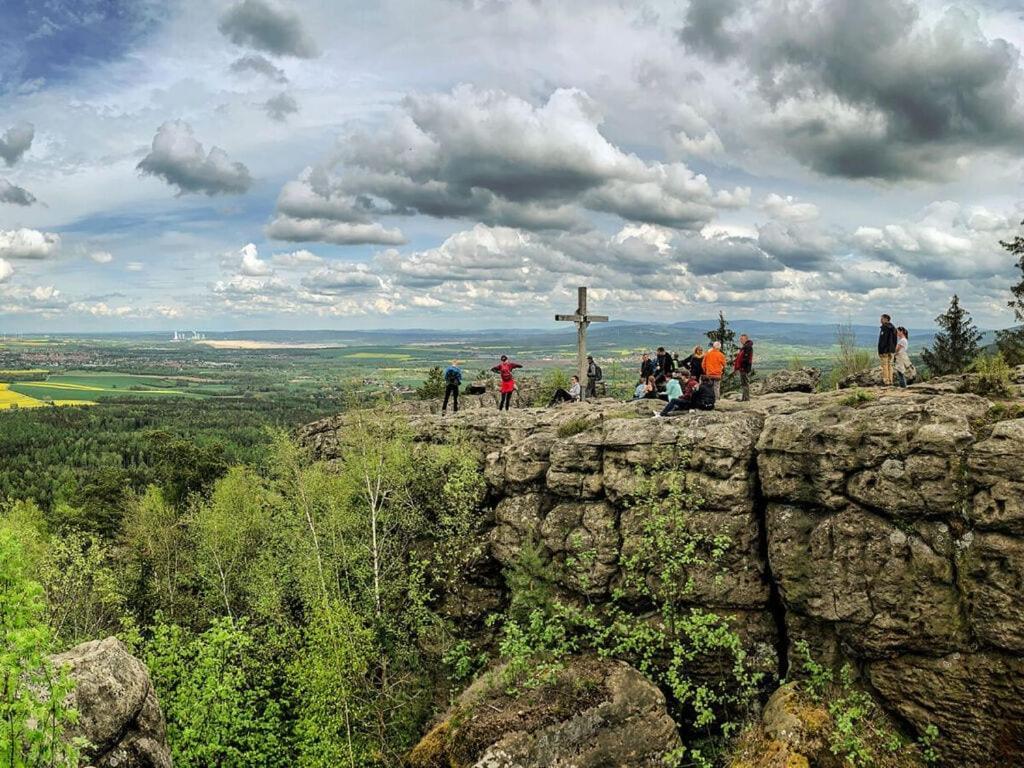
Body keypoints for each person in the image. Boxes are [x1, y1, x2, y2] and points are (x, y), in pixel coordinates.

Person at [878, 313, 898, 386]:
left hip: (885, 351)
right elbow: (895, 340)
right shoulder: (894, 328)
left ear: (886, 319)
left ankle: (886, 381)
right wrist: (893, 349)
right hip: (891, 350)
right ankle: (890, 380)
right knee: (890, 365)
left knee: (885, 365)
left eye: (882, 318)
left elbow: (883, 341)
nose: (880, 320)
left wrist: (881, 351)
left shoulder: (885, 328)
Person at [734, 334, 754, 402]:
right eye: (740, 339)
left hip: (744, 368)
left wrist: (741, 365)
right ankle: (744, 398)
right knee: (744, 383)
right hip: (743, 368)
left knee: (745, 383)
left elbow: (746, 358)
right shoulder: (745, 347)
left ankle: (746, 398)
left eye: (742, 339)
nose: (740, 340)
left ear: (746, 339)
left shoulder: (748, 347)